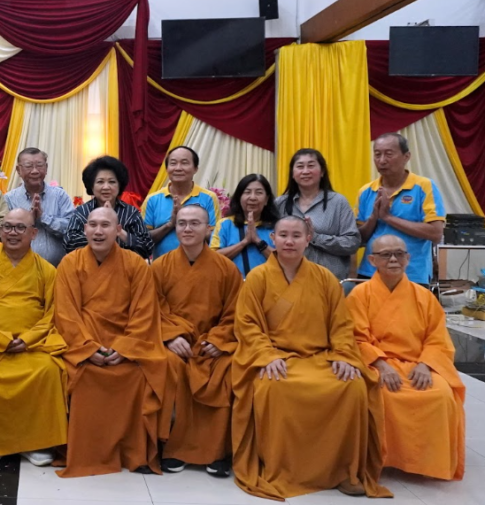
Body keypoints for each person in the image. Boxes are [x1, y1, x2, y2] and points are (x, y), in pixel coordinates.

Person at [232, 216, 391, 500]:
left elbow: (341, 324)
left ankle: (343, 471)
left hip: (321, 357)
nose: (289, 241)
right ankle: (282, 469)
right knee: (273, 387)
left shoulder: (325, 277)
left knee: (352, 386)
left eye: (296, 235)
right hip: (277, 357)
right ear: (273, 239)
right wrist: (266, 355)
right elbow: (247, 324)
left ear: (308, 239)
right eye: (283, 235)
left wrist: (343, 354)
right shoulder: (257, 278)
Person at [55, 207, 166, 477]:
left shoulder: (136, 264)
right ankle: (85, 452)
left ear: (118, 231)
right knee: (81, 375)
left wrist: (125, 348)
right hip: (84, 345)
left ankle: (131, 452)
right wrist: (87, 348)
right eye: (92, 225)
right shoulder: (70, 263)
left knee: (138, 375)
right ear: (84, 230)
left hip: (124, 344)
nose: (98, 231)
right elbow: (66, 314)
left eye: (105, 225)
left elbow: (144, 312)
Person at [348, 235, 465, 481]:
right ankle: (386, 459)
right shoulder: (360, 295)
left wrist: (426, 364)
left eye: (399, 254)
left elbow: (437, 337)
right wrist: (380, 364)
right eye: (385, 255)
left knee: (441, 394)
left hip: (418, 363)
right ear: (372, 261)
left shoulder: (424, 296)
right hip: (378, 363)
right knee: (382, 394)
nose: (393, 259)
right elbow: (355, 338)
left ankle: (427, 462)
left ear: (408, 258)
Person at [0, 209, 68, 467]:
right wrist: (0, 339)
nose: (13, 232)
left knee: (49, 369)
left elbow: (52, 313)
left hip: (34, 342)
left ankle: (37, 443)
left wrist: (28, 339)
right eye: (8, 227)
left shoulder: (47, 270)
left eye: (20, 228)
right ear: (0, 232)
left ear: (33, 233)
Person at [152, 205, 241, 478]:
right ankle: (175, 448)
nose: (187, 229)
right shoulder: (160, 266)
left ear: (208, 228)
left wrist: (219, 340)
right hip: (175, 343)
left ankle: (217, 452)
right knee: (169, 365)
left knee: (226, 370)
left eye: (195, 223)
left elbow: (236, 313)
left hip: (211, 343)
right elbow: (151, 309)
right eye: (182, 223)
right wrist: (169, 337)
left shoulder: (226, 269)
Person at [356, 133, 445, 286]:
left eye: (389, 154)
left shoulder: (424, 187)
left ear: (406, 156)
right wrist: (374, 217)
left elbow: (435, 234)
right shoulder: (366, 191)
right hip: (370, 272)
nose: (382, 160)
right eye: (377, 154)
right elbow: (359, 239)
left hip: (412, 273)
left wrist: (388, 217)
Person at [275, 149, 360, 281]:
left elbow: (352, 243)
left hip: (330, 281)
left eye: (311, 166)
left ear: (322, 172)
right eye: (300, 166)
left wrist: (315, 237)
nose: (305, 171)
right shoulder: (280, 204)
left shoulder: (338, 202)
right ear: (292, 173)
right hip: (288, 281)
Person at [64, 156, 154, 260]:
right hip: (88, 267)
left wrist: (120, 233)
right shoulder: (82, 212)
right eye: (100, 182)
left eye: (112, 182)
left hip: (123, 267)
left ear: (119, 185)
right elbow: (68, 243)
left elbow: (147, 247)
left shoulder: (131, 213)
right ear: (91, 186)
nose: (106, 187)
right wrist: (98, 235)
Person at [143, 146, 220, 258]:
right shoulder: (152, 200)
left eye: (184, 163)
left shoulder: (208, 198)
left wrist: (191, 223)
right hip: (163, 266)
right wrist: (170, 224)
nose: (178, 168)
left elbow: (215, 239)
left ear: (195, 168)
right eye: (173, 163)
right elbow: (143, 239)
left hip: (200, 264)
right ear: (167, 169)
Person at [3, 148, 75, 267]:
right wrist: (27, 220)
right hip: (21, 269)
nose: (35, 171)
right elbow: (5, 233)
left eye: (39, 165)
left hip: (57, 269)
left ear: (46, 168)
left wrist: (44, 218)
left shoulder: (60, 196)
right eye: (28, 166)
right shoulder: (9, 199)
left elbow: (71, 228)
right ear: (18, 170)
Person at [211, 174, 279, 277]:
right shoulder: (225, 224)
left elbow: (285, 260)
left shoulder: (277, 226)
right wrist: (244, 242)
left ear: (266, 199)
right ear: (239, 197)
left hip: (268, 284)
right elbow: (212, 258)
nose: (253, 197)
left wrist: (258, 241)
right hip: (233, 285)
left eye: (259, 193)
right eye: (247, 192)